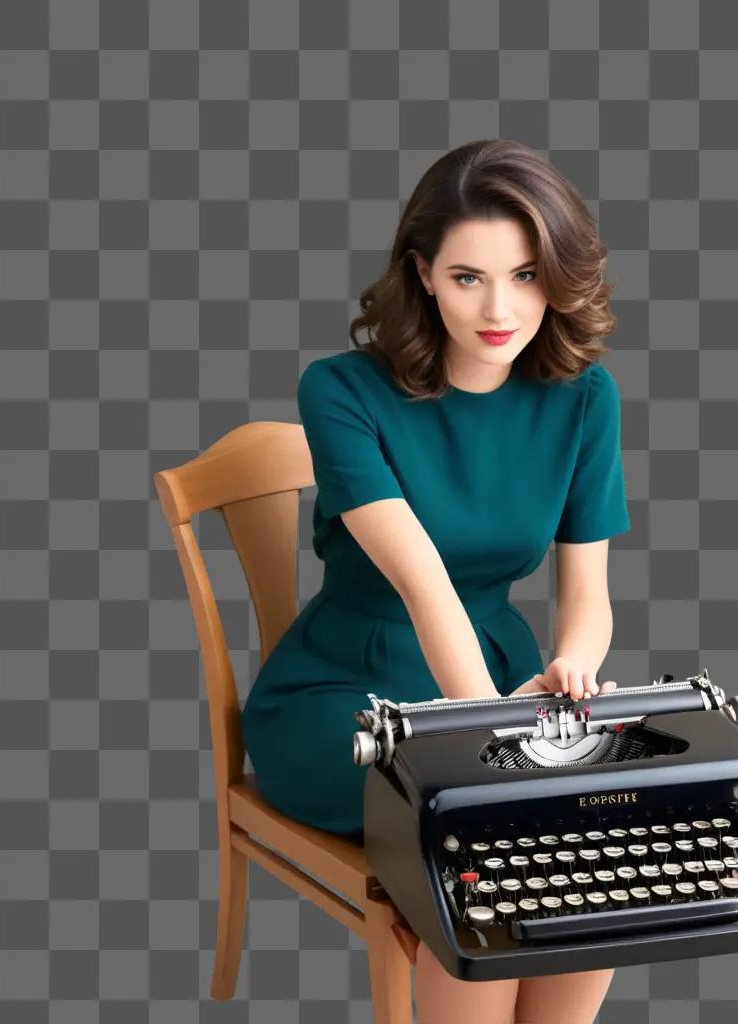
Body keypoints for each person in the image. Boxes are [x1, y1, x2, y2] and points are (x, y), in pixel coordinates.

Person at [241, 139, 630, 1024]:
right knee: (474, 844)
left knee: (593, 845)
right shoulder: (341, 391)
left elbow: (587, 597)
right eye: (468, 278)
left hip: (497, 668)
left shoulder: (584, 398)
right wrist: (496, 744)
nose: (501, 308)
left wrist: (572, 669)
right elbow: (424, 588)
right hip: (344, 693)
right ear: (421, 274)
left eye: (527, 276)